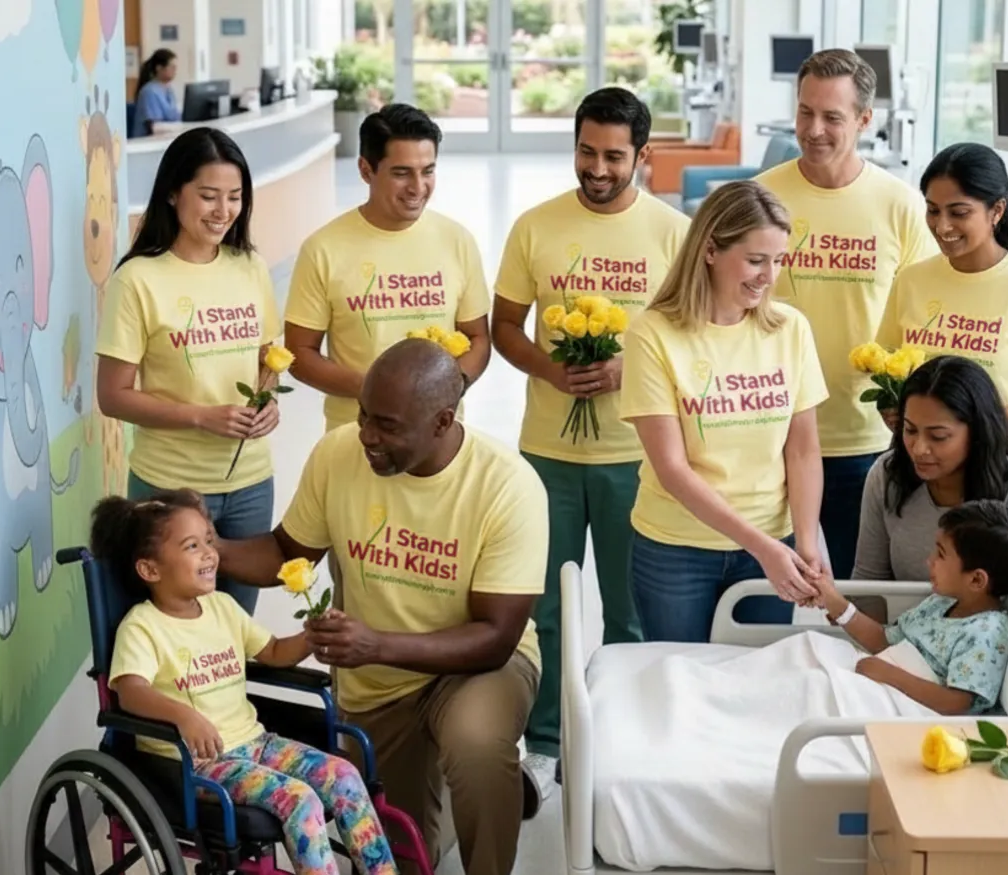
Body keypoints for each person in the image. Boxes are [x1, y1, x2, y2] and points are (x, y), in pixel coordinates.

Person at [212, 339, 547, 875]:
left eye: (387, 426)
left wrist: (377, 644)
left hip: (478, 665)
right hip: (379, 685)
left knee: (478, 744)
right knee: (405, 858)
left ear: (442, 422)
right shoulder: (338, 454)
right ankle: (457, 809)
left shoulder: (508, 486)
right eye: (365, 415)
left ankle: (490, 836)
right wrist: (207, 547)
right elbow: (285, 554)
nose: (367, 435)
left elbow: (496, 636)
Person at [491, 86, 692, 808]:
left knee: (630, 609)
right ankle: (544, 744)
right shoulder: (535, 227)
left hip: (639, 454)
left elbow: (691, 335)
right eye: (586, 151)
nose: (597, 168)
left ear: (644, 154)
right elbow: (505, 325)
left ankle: (624, 741)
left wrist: (627, 367)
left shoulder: (672, 233)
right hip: (547, 449)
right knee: (541, 606)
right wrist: (551, 367)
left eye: (614, 155)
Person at [91, 490, 399, 875]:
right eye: (192, 546)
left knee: (345, 775)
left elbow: (272, 652)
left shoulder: (222, 607)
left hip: (257, 743)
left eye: (208, 540)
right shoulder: (143, 626)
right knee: (300, 800)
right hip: (199, 764)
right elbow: (130, 690)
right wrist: (185, 717)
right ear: (150, 570)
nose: (209, 553)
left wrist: (312, 636)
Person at [755, 48, 939, 579]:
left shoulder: (900, 206)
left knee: (864, 598)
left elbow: (921, 323)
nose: (813, 130)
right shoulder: (762, 196)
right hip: (769, 432)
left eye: (832, 117)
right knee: (766, 598)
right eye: (805, 112)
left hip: (865, 441)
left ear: (864, 120)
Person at [618, 180, 828, 643]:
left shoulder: (790, 329)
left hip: (773, 542)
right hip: (677, 549)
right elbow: (671, 468)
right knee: (679, 688)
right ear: (710, 249)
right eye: (755, 260)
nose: (768, 276)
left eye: (778, 261)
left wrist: (805, 544)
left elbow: (803, 450)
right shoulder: (652, 334)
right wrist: (765, 547)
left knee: (758, 686)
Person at [97, 127, 280, 616]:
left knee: (234, 632)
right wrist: (201, 416)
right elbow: (112, 396)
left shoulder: (250, 267)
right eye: (209, 196)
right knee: (170, 638)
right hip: (169, 487)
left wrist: (269, 404)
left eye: (235, 197)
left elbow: (268, 361)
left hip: (250, 485)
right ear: (174, 192)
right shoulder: (137, 280)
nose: (223, 211)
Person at [284, 103, 492, 435]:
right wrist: (375, 387)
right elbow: (299, 353)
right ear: (366, 170)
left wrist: (450, 386)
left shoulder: (457, 240)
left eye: (428, 171)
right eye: (401, 173)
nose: (417, 187)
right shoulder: (323, 249)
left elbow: (478, 338)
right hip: (354, 436)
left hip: (439, 438)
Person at [876, 142, 1008, 457]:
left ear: (996, 211)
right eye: (932, 210)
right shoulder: (911, 281)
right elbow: (886, 371)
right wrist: (895, 410)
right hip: (920, 469)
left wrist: (974, 424)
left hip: (997, 472)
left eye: (959, 213)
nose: (942, 226)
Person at [813, 498, 1008, 715]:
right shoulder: (941, 602)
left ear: (976, 580)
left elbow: (955, 703)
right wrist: (837, 606)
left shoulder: (987, 633)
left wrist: (890, 675)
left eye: (940, 554)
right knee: (808, 667)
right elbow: (884, 640)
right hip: (877, 678)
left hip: (903, 704)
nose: (929, 561)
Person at [853, 355, 1008, 582]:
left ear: (977, 432)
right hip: (898, 617)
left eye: (938, 436)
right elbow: (869, 581)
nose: (919, 449)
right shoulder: (887, 474)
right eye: (910, 430)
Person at [133, 49, 181, 137]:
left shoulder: (169, 90)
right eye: (172, 67)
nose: (175, 71)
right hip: (147, 143)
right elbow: (154, 127)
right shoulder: (149, 92)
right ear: (159, 68)